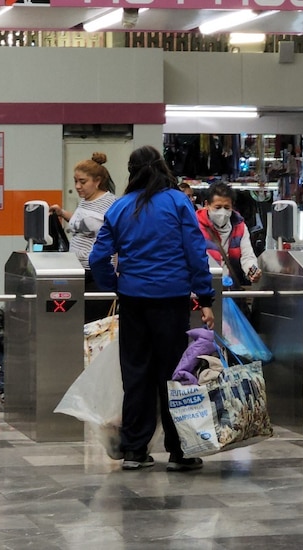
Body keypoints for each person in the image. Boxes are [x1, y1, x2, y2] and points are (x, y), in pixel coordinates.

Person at [89, 145, 215, 472]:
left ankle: (134, 450)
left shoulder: (120, 207)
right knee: (174, 374)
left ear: (131, 172)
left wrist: (115, 284)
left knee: (136, 374)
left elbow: (98, 258)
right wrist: (205, 297)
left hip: (133, 301)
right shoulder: (177, 202)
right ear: (162, 168)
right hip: (172, 301)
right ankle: (180, 451)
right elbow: (195, 252)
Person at [49, 152, 117, 323]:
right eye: (75, 181)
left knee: (94, 321)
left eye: (83, 182)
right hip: (78, 271)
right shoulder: (85, 201)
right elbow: (81, 224)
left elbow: (113, 235)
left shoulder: (111, 203)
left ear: (97, 181)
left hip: (97, 272)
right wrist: (61, 213)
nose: (78, 186)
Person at [196, 182, 260, 289]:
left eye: (226, 207)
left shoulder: (239, 226)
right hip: (203, 287)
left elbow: (247, 256)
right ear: (207, 205)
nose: (222, 212)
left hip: (229, 287)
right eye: (218, 207)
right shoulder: (196, 226)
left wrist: (252, 271)